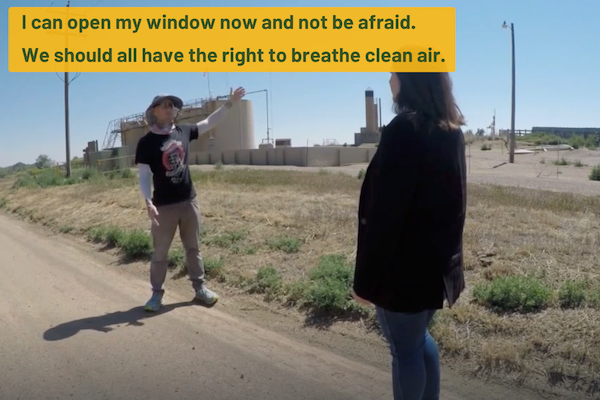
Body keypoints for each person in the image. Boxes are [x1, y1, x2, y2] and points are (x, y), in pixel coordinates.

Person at [351, 72, 467, 400]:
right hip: (436, 268)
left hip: (402, 274)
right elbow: (457, 204)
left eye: (394, 72)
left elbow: (384, 217)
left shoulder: (404, 129)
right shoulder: (451, 131)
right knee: (417, 341)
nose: (389, 80)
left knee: (404, 350)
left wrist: (365, 283)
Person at [135, 87, 246, 312]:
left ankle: (200, 289)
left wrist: (230, 103)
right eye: (165, 105)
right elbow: (145, 175)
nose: (170, 109)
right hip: (163, 207)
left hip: (188, 202)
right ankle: (156, 295)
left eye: (172, 105)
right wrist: (148, 201)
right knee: (159, 254)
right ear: (153, 111)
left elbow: (210, 122)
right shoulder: (146, 143)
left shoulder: (184, 131)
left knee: (193, 249)